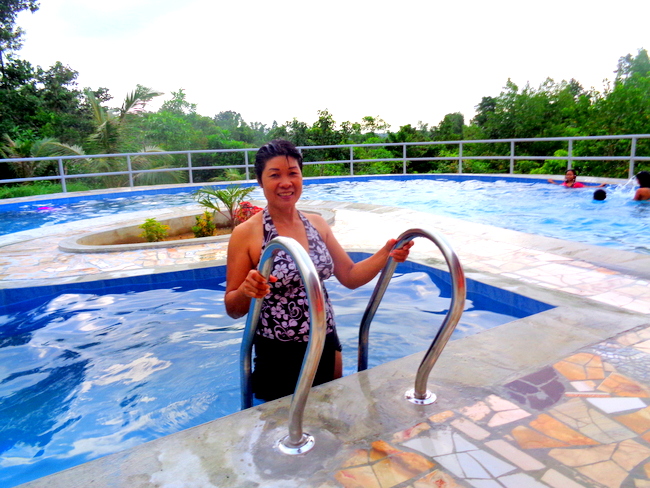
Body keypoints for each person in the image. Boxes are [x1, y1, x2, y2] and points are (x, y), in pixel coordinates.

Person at [225, 139, 413, 402]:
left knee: (329, 418)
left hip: (324, 339)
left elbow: (349, 276)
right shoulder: (246, 234)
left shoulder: (317, 224)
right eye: (274, 175)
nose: (286, 182)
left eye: (293, 173)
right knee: (278, 431)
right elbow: (232, 308)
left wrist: (387, 254)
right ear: (260, 180)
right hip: (277, 351)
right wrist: (247, 291)